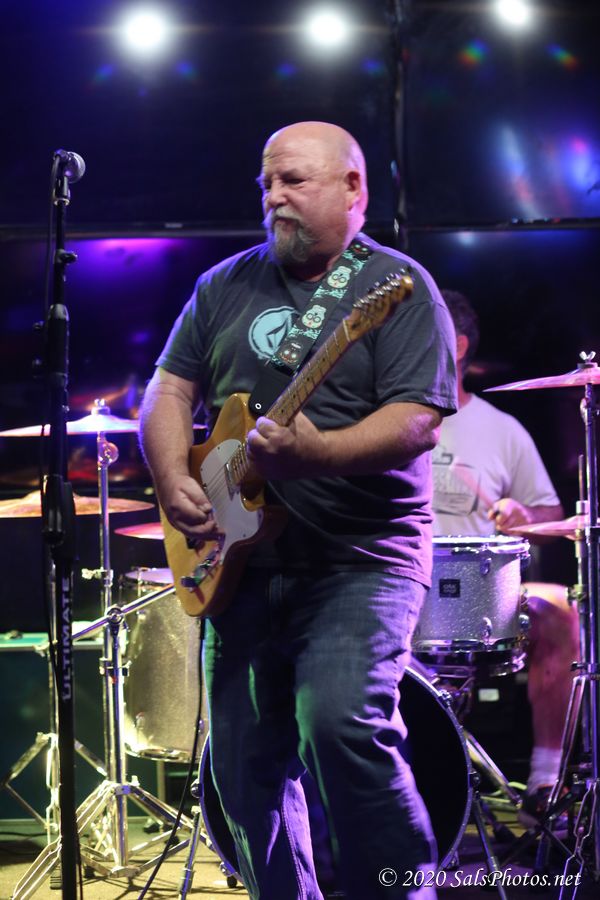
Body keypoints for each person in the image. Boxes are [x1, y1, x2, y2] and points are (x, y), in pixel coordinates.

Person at [139, 121, 457, 899]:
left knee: (341, 726)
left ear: (353, 190)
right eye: (266, 184)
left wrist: (319, 453)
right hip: (241, 561)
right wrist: (173, 477)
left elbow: (417, 420)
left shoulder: (397, 288)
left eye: (293, 181)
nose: (273, 197)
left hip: (361, 556)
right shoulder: (223, 285)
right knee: (242, 769)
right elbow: (168, 390)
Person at [431, 289, 579, 824]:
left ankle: (544, 780)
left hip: (480, 595)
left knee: (560, 610)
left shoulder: (501, 430)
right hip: (397, 583)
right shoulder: (386, 418)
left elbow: (551, 515)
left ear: (458, 346)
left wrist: (522, 515)